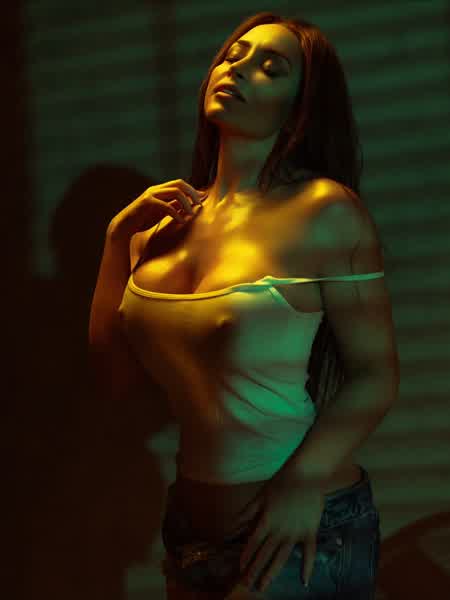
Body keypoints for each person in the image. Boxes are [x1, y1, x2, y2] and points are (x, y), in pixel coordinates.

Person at [92, 11, 399, 600]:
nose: (238, 68)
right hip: (189, 533)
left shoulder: (324, 211)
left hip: (299, 526)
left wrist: (303, 482)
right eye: (234, 55)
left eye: (270, 68)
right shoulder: (158, 230)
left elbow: (375, 374)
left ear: (300, 107)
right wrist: (114, 243)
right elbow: (115, 383)